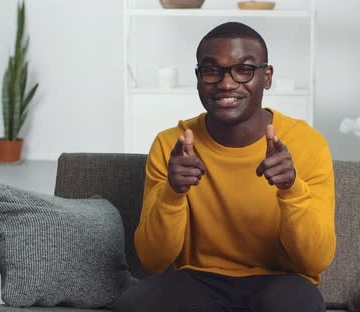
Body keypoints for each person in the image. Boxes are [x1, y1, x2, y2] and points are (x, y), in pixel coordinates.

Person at [113, 21, 335, 312]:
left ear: (266, 77)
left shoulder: (307, 144)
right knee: (133, 305)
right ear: (198, 77)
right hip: (196, 281)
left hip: (282, 282)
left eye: (244, 69)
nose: (226, 83)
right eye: (211, 70)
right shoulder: (172, 145)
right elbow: (153, 260)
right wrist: (173, 193)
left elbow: (315, 261)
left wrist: (291, 189)